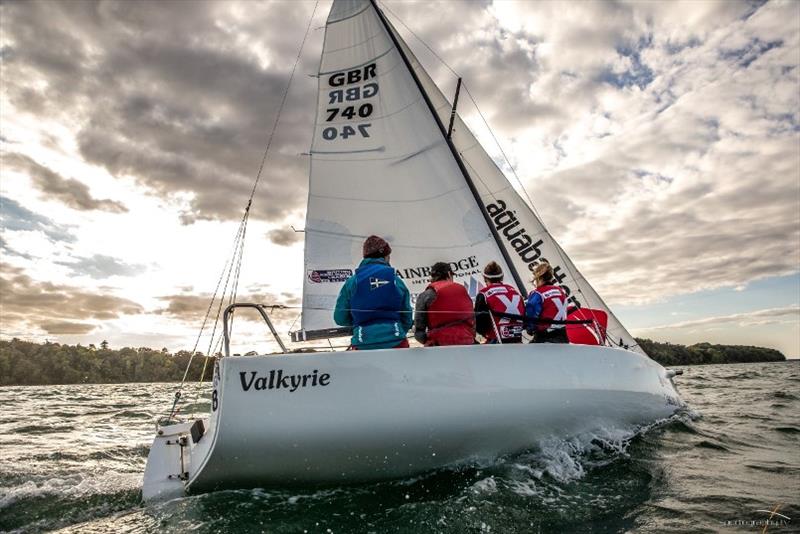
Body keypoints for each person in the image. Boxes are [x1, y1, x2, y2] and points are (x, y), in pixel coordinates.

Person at [333, 235, 412, 349]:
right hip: (396, 341)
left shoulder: (351, 282)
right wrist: (397, 331)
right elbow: (407, 317)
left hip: (362, 343)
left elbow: (339, 318)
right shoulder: (396, 281)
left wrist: (359, 324)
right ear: (385, 256)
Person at [414, 262, 476, 346]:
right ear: (449, 274)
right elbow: (473, 321)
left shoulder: (425, 295)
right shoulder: (463, 290)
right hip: (467, 342)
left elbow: (419, 333)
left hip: (438, 346)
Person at [474, 261, 524, 343]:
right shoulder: (514, 291)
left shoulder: (484, 293)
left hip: (497, 339)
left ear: (485, 278)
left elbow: (480, 324)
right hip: (518, 338)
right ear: (502, 277)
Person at [525, 261, 569, 343]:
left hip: (545, 337)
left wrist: (530, 328)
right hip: (563, 336)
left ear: (538, 277)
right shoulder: (561, 291)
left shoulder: (537, 293)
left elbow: (531, 311)